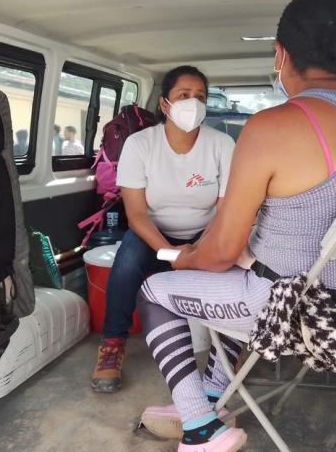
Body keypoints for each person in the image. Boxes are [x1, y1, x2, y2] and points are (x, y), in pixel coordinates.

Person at [136, 0, 336, 452]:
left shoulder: (272, 126)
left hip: (292, 313)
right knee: (233, 281)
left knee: (158, 289)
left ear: (281, 53)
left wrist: (186, 256)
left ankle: (200, 429)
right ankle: (211, 398)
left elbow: (218, 254)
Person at [90, 65, 235, 394]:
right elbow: (137, 215)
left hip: (206, 233)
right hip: (152, 234)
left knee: (234, 265)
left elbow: (227, 212)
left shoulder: (222, 144)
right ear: (165, 104)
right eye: (184, 95)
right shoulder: (140, 145)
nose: (193, 103)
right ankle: (112, 344)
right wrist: (171, 254)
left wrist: (201, 250)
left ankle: (227, 352)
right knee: (126, 262)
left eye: (200, 97)